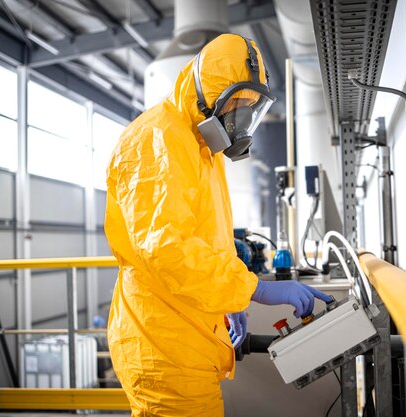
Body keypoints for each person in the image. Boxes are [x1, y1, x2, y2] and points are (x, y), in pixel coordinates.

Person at [104, 33, 331, 417]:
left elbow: (207, 241)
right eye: (236, 106)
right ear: (206, 95)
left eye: (250, 108)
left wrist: (229, 299)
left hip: (187, 336)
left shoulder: (200, 149)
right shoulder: (158, 139)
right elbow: (167, 249)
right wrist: (253, 289)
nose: (240, 121)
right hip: (163, 346)